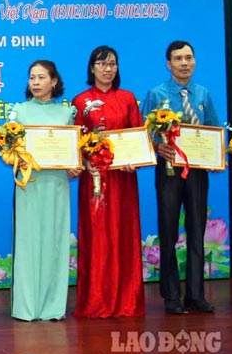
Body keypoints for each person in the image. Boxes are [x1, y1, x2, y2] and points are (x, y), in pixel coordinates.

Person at [141, 40, 219, 315]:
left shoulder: (203, 94)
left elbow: (213, 130)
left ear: (195, 61)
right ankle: (172, 295)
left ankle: (196, 295)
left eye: (188, 58)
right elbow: (142, 132)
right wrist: (156, 146)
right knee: (169, 231)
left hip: (197, 171)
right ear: (169, 64)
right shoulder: (156, 94)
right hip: (169, 171)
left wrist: (216, 157)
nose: (184, 63)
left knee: (197, 231)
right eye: (178, 58)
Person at [72, 45, 145, 318]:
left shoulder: (127, 98)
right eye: (102, 63)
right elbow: (74, 142)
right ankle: (95, 301)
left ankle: (127, 300)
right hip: (94, 181)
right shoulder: (80, 101)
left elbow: (137, 137)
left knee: (123, 236)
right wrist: (84, 161)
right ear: (92, 68)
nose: (107, 68)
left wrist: (135, 159)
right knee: (97, 238)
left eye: (112, 63)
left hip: (123, 180)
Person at [10, 60, 78, 321]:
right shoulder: (19, 112)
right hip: (29, 184)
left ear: (54, 81)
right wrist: (16, 158)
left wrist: (75, 164)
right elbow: (10, 149)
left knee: (54, 240)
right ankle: (26, 307)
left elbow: (74, 148)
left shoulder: (67, 113)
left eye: (41, 77)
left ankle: (52, 306)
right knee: (28, 242)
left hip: (57, 184)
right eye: (32, 77)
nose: (36, 82)